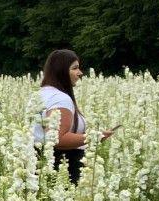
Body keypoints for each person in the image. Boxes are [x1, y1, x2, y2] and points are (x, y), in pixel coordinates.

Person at [29, 49, 114, 183]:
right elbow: (57, 138)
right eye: (75, 68)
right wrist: (95, 136)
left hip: (38, 165)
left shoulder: (40, 94)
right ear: (61, 71)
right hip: (63, 170)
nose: (80, 73)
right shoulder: (61, 98)